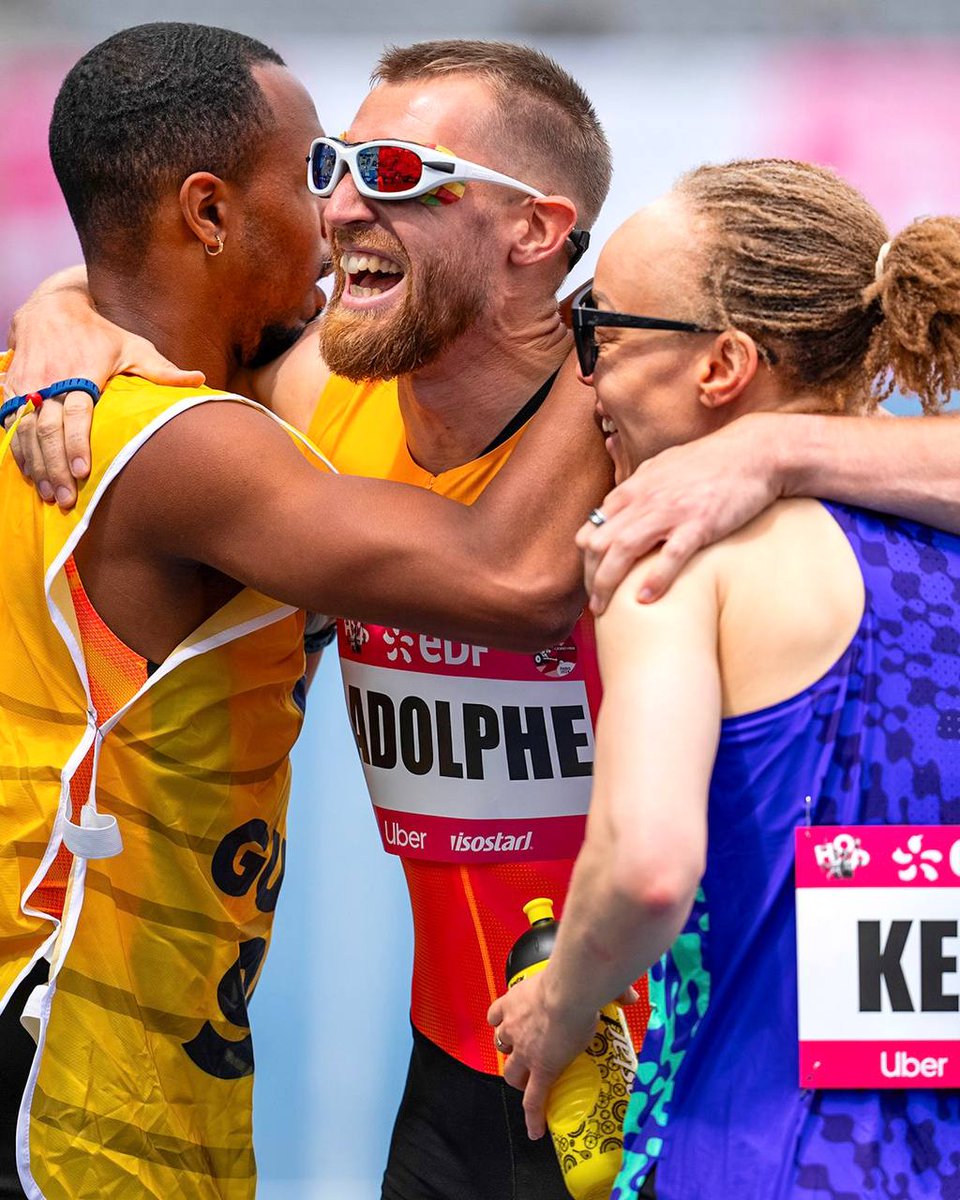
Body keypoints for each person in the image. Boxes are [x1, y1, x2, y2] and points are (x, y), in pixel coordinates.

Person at [7, 38, 655, 1200]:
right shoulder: (283, 416)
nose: (338, 207)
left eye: (394, 170)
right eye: (327, 163)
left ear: (534, 229)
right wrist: (60, 314)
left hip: (646, 1072)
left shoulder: (652, 422)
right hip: (401, 1077)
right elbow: (512, 579)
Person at [487, 158, 960, 1199]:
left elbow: (647, 870)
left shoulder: (669, 552)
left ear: (722, 366)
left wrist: (561, 1005)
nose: (588, 379)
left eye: (600, 334)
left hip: (764, 1159)